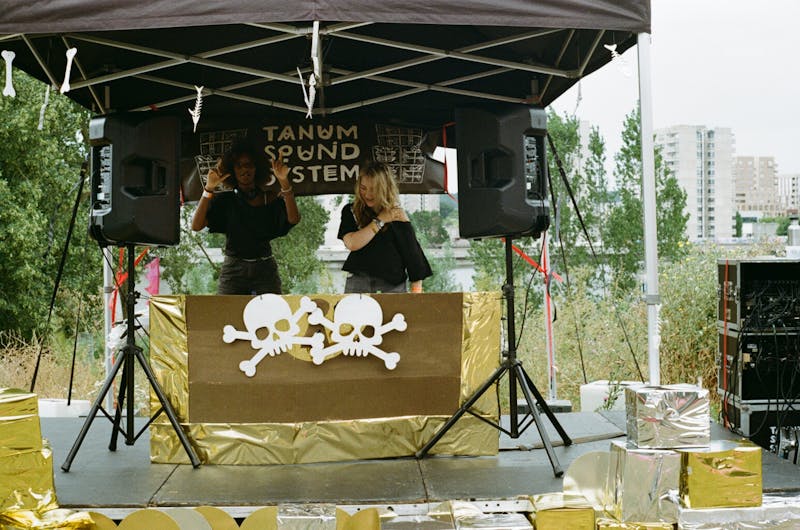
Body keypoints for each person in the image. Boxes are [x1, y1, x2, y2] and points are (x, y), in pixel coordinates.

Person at [191, 139, 300, 295]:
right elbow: (196, 225)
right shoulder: (226, 201)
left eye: (249, 164)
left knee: (273, 314)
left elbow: (293, 219)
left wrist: (284, 182)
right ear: (232, 170)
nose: (244, 169)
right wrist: (209, 188)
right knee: (226, 315)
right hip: (233, 269)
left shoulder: (268, 198)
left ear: (257, 168)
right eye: (239, 166)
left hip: (265, 268)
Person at [337, 160, 432, 293]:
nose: (368, 195)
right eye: (363, 188)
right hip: (359, 282)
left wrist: (416, 301)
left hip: (393, 286)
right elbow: (352, 243)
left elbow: (413, 259)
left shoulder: (398, 216)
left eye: (374, 190)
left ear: (385, 189)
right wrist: (381, 220)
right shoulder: (351, 211)